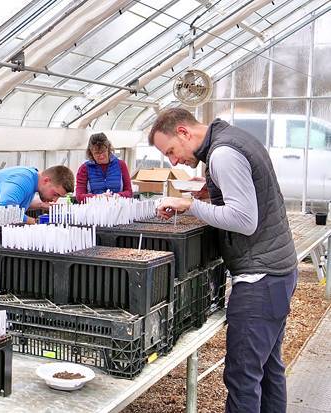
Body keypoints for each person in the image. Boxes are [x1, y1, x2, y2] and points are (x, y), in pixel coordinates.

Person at [148, 108, 298, 413]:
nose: (173, 161)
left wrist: (189, 205)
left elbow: (244, 220)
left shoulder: (223, 154)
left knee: (243, 376)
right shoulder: (235, 139)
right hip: (277, 271)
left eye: (172, 152)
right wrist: (212, 194)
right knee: (269, 370)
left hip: (259, 279)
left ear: (184, 132)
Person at [0, 165, 75, 224]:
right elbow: (6, 209)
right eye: (55, 194)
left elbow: (15, 202)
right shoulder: (22, 179)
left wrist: (40, 205)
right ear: (46, 180)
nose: (54, 199)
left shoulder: (32, 178)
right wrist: (34, 222)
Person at [76, 132, 133, 202]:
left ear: (108, 148)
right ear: (90, 152)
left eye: (103, 151)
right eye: (97, 153)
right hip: (94, 209)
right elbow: (79, 196)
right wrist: (98, 197)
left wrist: (118, 196)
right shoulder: (84, 168)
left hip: (117, 207)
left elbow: (129, 192)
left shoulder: (121, 165)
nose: (101, 156)